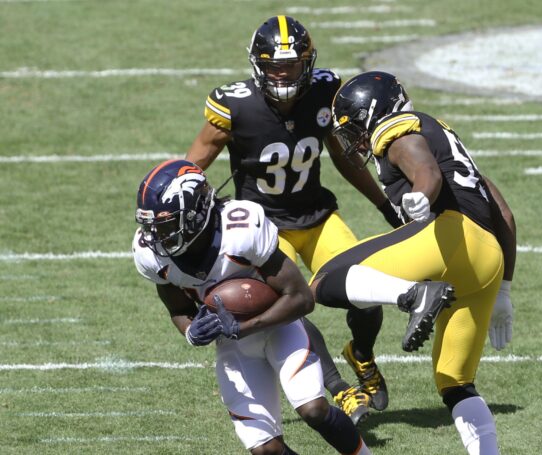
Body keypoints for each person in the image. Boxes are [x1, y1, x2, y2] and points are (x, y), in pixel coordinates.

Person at [185, 15, 402, 422]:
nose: (284, 75)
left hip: (317, 216)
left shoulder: (324, 90)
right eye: (274, 67)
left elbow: (346, 159)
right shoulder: (234, 105)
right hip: (263, 228)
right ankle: (341, 391)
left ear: (308, 63)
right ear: (258, 66)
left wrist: (385, 205)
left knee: (368, 292)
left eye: (292, 65)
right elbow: (192, 170)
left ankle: (362, 353)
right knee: (293, 306)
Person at [309, 71, 517, 455]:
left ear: (375, 112)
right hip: (488, 262)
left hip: (451, 238)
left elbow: (425, 170)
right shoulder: (446, 137)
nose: (353, 138)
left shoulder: (397, 128)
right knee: (454, 381)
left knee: (324, 281)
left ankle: (412, 296)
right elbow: (502, 209)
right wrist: (504, 287)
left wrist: (422, 192)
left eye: (354, 126)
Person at [131, 159, 372, 455]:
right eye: (153, 225)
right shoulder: (151, 255)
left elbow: (301, 298)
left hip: (278, 326)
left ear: (196, 213)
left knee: (313, 409)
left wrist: (242, 327)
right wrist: (192, 331)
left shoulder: (241, 228)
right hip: (234, 347)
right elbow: (178, 309)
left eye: (167, 224)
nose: (157, 236)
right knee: (264, 449)